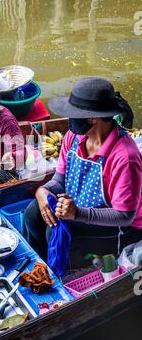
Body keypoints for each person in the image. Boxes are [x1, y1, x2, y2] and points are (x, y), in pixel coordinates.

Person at [24, 77, 142, 262]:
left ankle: (68, 270)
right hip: (83, 208)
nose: (70, 119)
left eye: (74, 113)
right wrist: (42, 191)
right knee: (33, 213)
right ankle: (40, 264)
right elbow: (59, 181)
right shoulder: (73, 137)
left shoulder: (125, 157)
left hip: (122, 226)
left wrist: (78, 213)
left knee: (59, 231)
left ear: (93, 118)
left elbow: (124, 215)